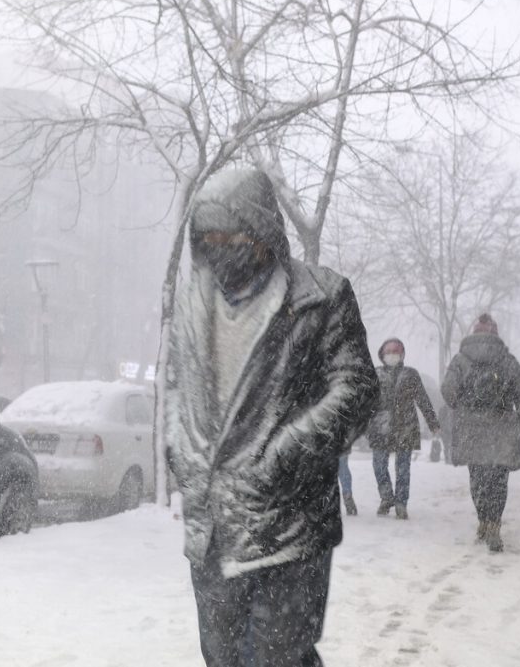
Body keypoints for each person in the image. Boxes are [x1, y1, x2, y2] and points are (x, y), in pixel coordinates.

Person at [164, 168, 379, 667]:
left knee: (277, 659)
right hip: (212, 526)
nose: (219, 249)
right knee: (223, 659)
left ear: (262, 232)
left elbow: (356, 389)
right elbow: (178, 388)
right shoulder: (192, 302)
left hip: (288, 522)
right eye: (208, 238)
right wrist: (183, 452)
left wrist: (284, 454)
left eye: (230, 236)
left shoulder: (319, 297)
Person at [441, 313, 520, 552]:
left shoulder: (461, 359)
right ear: (495, 334)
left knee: (478, 477)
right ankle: (494, 524)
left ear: (474, 333)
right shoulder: (507, 359)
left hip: (471, 428)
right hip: (502, 426)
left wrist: (462, 406)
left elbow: (447, 389)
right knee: (498, 480)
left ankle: (483, 520)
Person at [366, 338, 439, 520]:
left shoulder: (410, 374)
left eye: (396, 352)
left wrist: (433, 423)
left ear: (402, 355)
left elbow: (422, 399)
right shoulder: (375, 374)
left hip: (405, 426)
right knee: (379, 466)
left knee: (403, 469)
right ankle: (386, 497)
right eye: (388, 352)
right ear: (382, 355)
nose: (392, 355)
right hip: (380, 427)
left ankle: (401, 503)